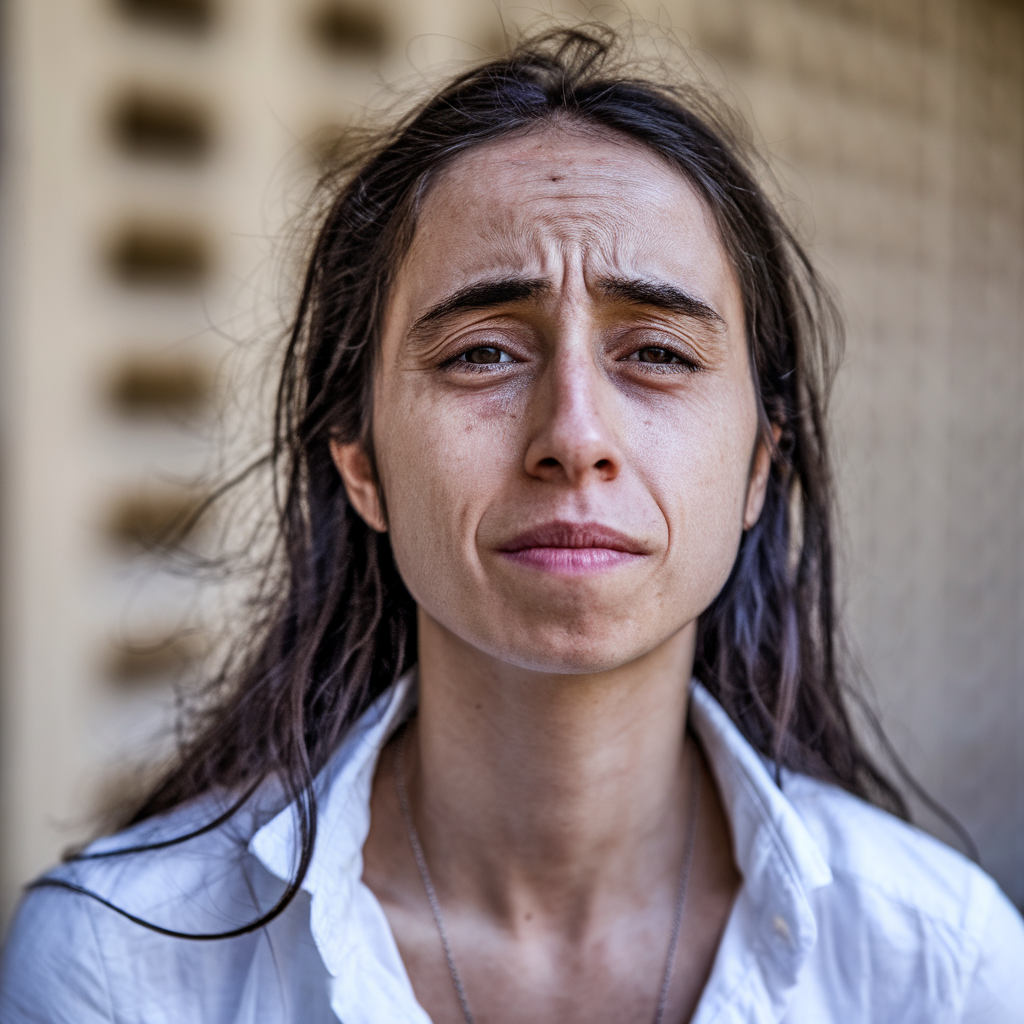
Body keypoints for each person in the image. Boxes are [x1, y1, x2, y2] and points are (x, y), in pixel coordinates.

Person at [2, 26, 1022, 1024]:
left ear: (759, 464)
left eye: (658, 352)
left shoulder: (938, 966)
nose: (573, 436)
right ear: (360, 464)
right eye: (482, 352)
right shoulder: (121, 968)